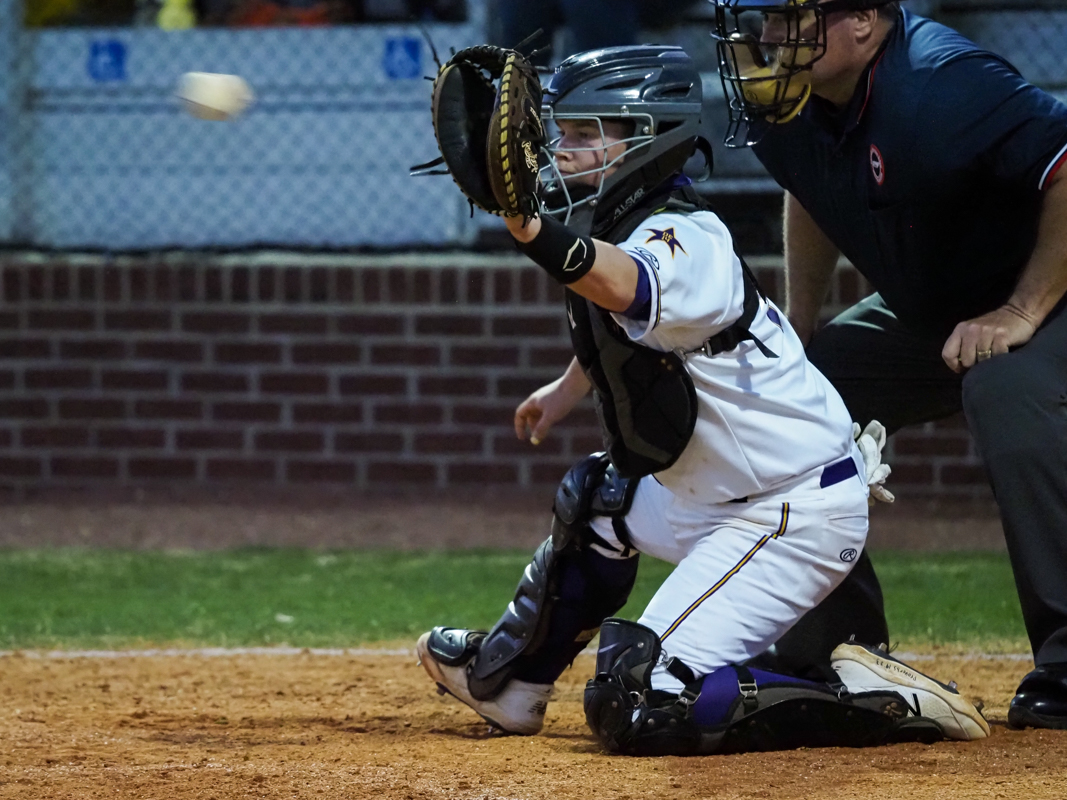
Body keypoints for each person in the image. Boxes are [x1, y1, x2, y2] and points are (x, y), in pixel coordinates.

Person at [414, 44, 988, 755]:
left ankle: (873, 700)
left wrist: (532, 231)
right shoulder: (629, 226)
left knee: (638, 700)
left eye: (588, 132)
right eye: (566, 130)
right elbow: (628, 326)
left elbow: (630, 287)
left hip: (790, 513)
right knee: (598, 498)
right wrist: (565, 390)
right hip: (719, 498)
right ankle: (509, 682)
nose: (561, 148)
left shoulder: (688, 235)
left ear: (648, 136)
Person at [710, 0, 1067, 730]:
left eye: (792, 17)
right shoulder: (792, 96)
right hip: (942, 310)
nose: (770, 37)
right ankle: (835, 654)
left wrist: (1022, 310)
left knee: (1005, 390)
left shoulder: (942, 83)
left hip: (1050, 293)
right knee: (793, 397)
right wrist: (798, 328)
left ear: (865, 21)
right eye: (764, 18)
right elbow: (811, 188)